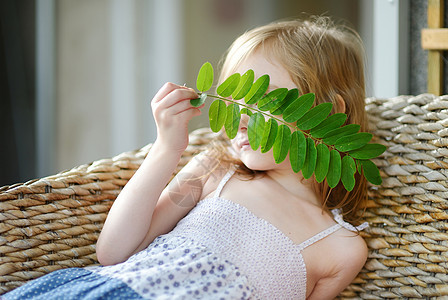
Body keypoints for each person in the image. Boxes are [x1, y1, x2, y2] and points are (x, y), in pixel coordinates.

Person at [3, 16, 370, 300]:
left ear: (327, 111)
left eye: (262, 100)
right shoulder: (215, 170)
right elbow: (113, 251)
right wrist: (167, 148)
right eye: (235, 99)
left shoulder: (341, 249)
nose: (240, 118)